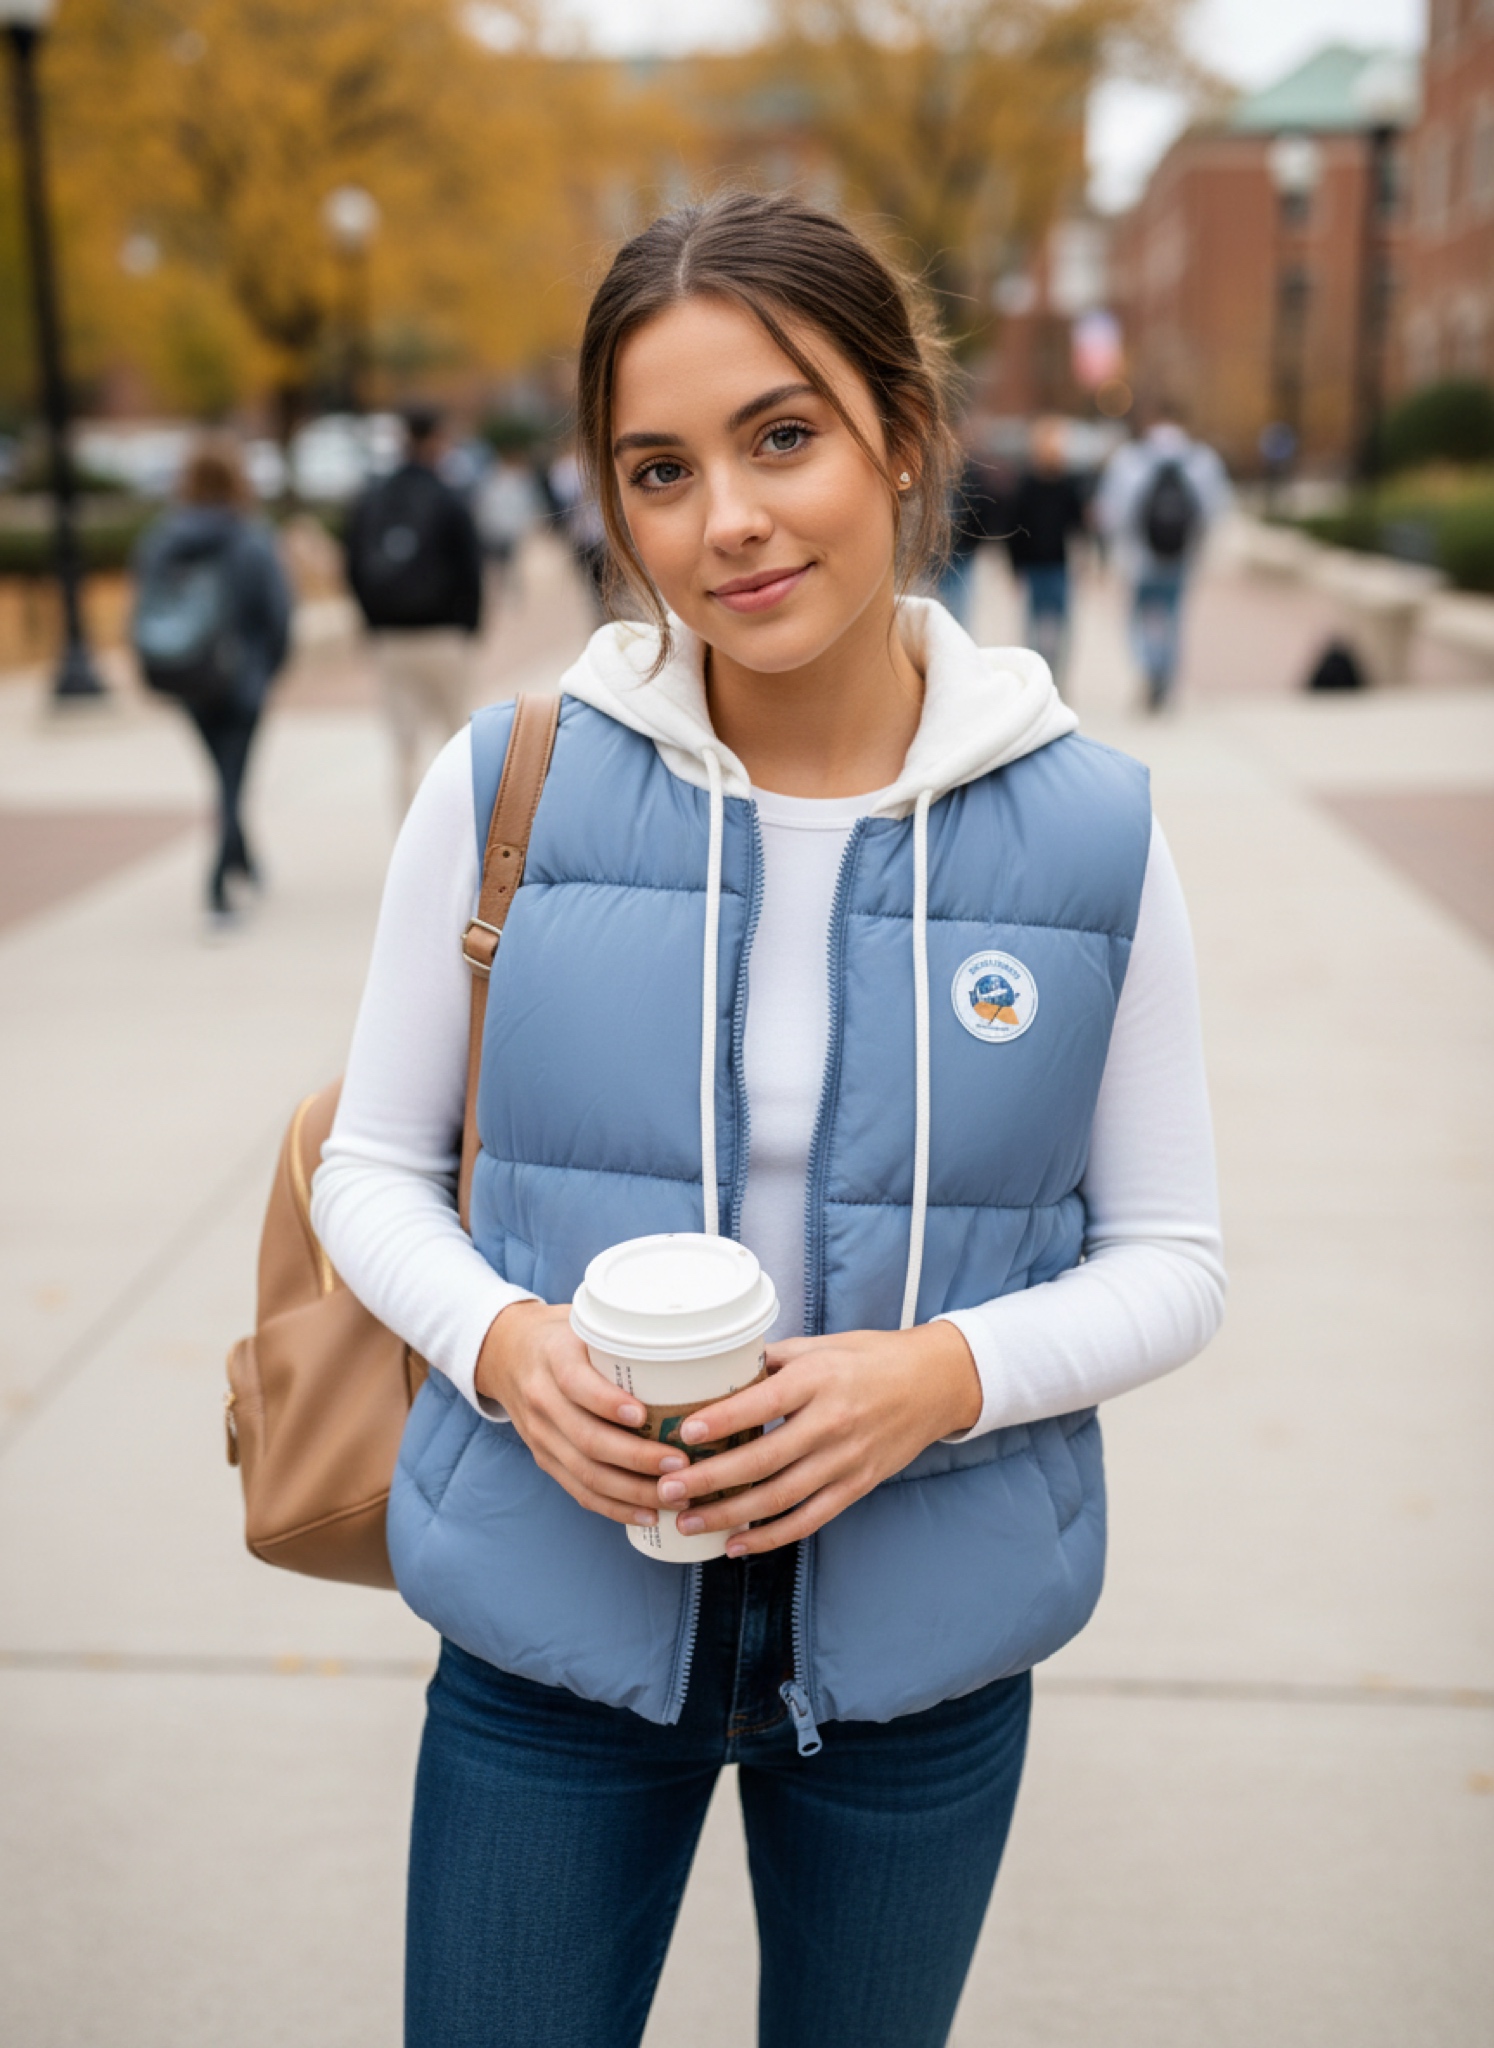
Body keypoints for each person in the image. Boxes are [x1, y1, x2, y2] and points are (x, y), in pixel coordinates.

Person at [310, 190, 1225, 2048]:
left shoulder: (1089, 831)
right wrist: (502, 1343)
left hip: (921, 1665)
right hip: (547, 1644)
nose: (721, 518)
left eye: (779, 436)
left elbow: (1172, 1258)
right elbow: (371, 1169)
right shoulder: (509, 785)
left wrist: (934, 1376)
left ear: (897, 430)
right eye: (656, 468)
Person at [131, 433, 291, 925]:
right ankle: (219, 886)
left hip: (188, 675)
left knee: (224, 776)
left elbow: (143, 609)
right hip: (242, 680)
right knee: (231, 780)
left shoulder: (162, 539)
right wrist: (267, 670)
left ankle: (244, 858)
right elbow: (278, 615)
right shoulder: (251, 538)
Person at [344, 405, 484, 813]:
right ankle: (458, 835)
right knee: (456, 741)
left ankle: (410, 845)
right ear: (437, 439)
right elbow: (470, 567)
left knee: (404, 747)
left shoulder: (373, 496)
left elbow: (351, 563)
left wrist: (371, 622)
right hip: (444, 633)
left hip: (391, 635)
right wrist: (469, 626)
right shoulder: (448, 496)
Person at [1093, 405, 1229, 711]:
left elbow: (1111, 512)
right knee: (1173, 618)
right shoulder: (1201, 461)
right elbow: (1216, 510)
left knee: (1138, 619)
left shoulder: (1129, 460)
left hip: (1139, 561)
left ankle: (1148, 666)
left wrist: (1112, 549)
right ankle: (1166, 674)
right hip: (1180, 559)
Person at [1004, 414, 1088, 693]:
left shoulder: (1066, 484)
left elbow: (1079, 526)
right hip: (1038, 566)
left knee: (1054, 628)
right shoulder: (1029, 484)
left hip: (1056, 565)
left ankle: (1053, 680)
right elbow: (1014, 529)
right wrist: (1014, 568)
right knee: (1038, 628)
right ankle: (1040, 680)